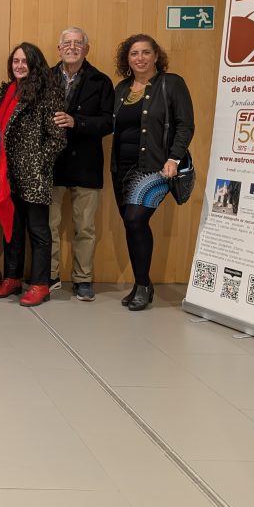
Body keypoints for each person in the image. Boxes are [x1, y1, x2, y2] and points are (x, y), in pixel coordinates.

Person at [111, 34, 194, 311]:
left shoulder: (171, 84)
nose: (140, 58)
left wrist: (174, 157)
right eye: (134, 53)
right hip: (122, 168)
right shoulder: (121, 88)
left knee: (135, 220)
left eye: (146, 52)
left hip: (156, 167)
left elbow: (185, 125)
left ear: (156, 56)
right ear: (128, 59)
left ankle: (144, 285)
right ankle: (140, 283)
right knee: (130, 223)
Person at [0, 43, 66, 307]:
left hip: (34, 174)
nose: (19, 66)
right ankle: (12, 277)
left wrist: (37, 165)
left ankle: (40, 284)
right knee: (12, 228)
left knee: (38, 231)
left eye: (25, 61)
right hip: (8, 172)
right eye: (15, 61)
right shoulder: (9, 90)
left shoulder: (49, 92)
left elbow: (57, 139)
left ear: (35, 64)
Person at [49, 28, 114, 302]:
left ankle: (83, 279)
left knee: (85, 227)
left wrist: (78, 123)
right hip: (50, 164)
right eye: (67, 43)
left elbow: (109, 122)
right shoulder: (46, 78)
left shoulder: (101, 81)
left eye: (78, 43)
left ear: (87, 49)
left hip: (86, 164)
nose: (72, 47)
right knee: (48, 225)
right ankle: (49, 275)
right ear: (59, 47)